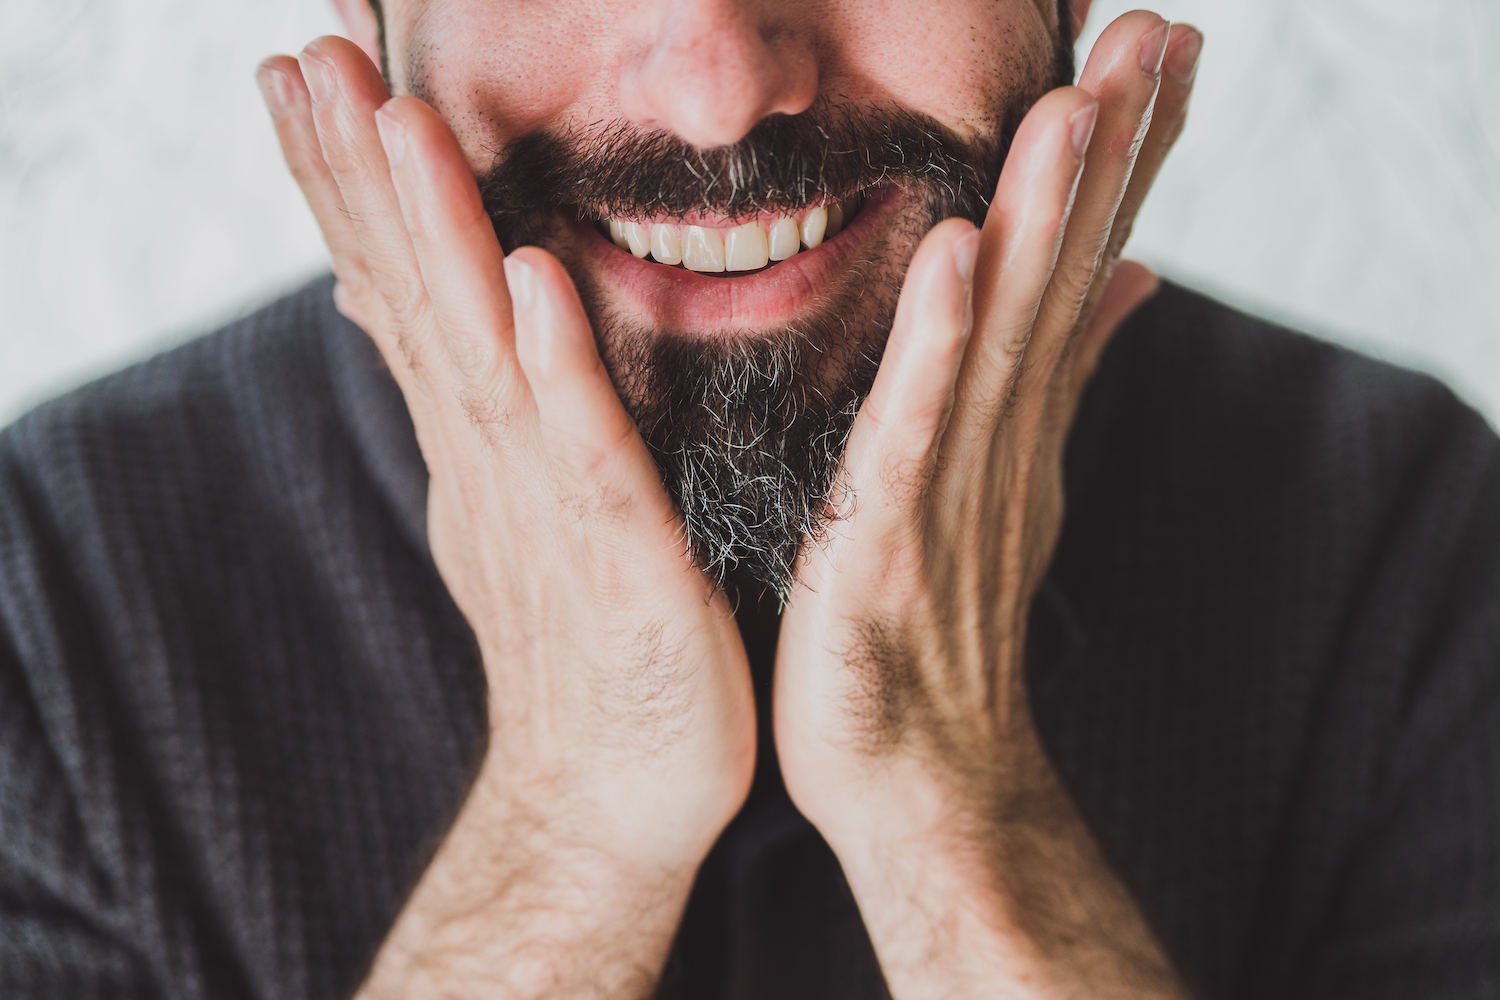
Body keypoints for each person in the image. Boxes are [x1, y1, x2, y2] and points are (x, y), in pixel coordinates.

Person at [2, 0, 1497, 996]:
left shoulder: (1414, 547)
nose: (722, 89)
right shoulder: (49, 608)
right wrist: (571, 827)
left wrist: (950, 814)